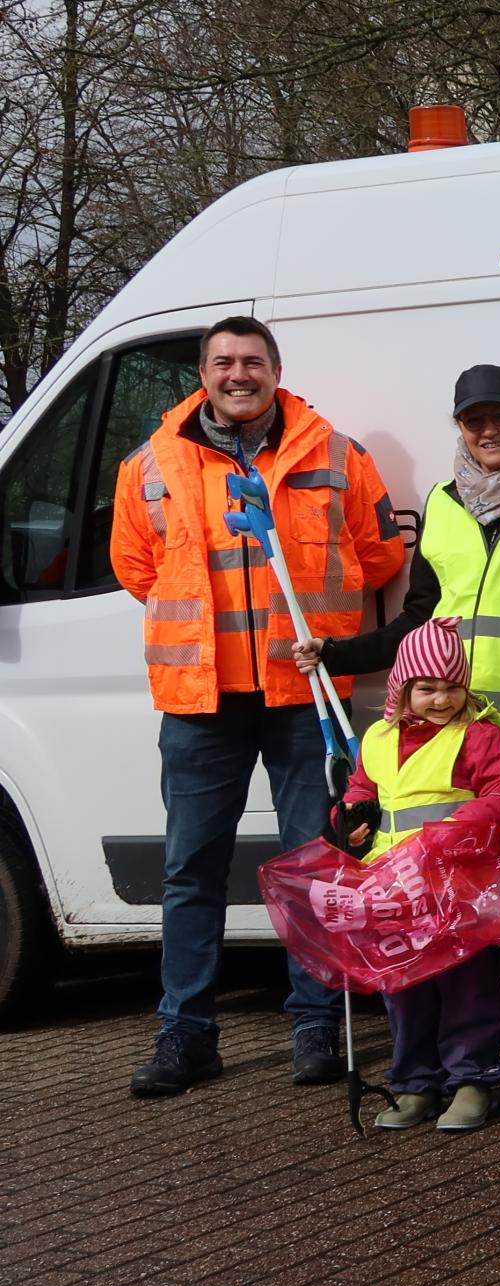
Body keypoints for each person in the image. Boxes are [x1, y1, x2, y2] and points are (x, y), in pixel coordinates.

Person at [111, 314, 408, 1097]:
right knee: (191, 869)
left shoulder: (336, 454)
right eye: (222, 362)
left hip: (301, 693)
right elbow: (136, 567)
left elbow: (380, 556)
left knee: (316, 862)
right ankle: (186, 1035)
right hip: (200, 697)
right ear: (202, 373)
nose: (237, 374)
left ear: (275, 370)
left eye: (251, 361)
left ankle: (315, 1025)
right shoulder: (149, 464)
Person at [295, 364, 500, 1088]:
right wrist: (341, 653)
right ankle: (479, 1054)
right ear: (458, 426)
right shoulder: (444, 501)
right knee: (470, 909)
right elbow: (419, 617)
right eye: (473, 419)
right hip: (452, 736)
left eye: (499, 415)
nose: (487, 429)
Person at [324, 617, 500, 1133]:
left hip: (457, 885)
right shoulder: (376, 738)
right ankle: (414, 1083)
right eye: (427, 688)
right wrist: (349, 820)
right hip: (393, 887)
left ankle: (471, 1080)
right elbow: (360, 793)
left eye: (452, 687)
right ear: (403, 688)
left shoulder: (478, 737)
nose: (441, 699)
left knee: (468, 986)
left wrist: (454, 829)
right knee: (404, 988)